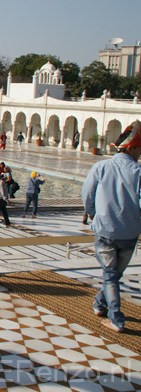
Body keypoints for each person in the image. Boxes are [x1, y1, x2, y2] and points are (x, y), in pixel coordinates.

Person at [82, 121, 141, 333]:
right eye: (139, 149)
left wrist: (91, 213)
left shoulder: (101, 167)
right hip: (130, 233)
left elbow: (87, 194)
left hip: (105, 230)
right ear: (131, 148)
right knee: (113, 275)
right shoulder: (138, 172)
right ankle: (103, 307)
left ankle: (114, 318)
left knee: (111, 275)